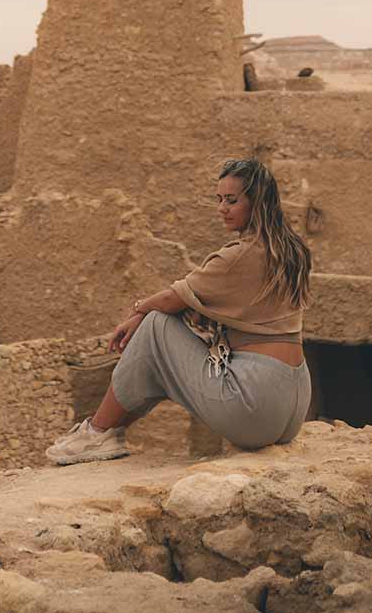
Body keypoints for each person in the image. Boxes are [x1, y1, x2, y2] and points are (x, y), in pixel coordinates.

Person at [45, 157, 312, 466]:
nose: (221, 208)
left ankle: (98, 431)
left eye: (232, 200)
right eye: (219, 200)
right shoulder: (291, 251)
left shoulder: (240, 256)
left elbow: (173, 299)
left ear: (257, 202)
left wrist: (138, 311)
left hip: (254, 403)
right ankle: (108, 431)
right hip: (293, 403)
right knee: (161, 337)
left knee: (156, 325)